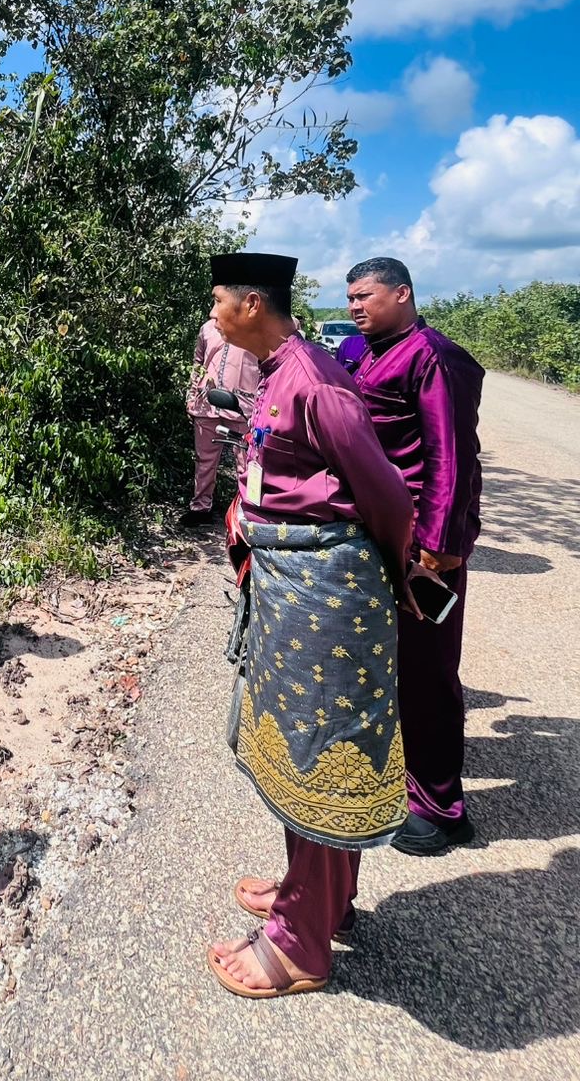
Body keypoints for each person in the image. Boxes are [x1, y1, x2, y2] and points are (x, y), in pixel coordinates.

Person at [204, 252, 416, 999]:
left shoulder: (316, 381)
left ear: (251, 305)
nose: (212, 314)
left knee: (322, 752)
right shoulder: (274, 372)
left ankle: (301, 947)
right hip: (291, 586)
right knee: (301, 750)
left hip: (326, 594)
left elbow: (387, 496)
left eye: (217, 300)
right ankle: (317, 897)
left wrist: (393, 576)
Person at [344, 257, 484, 856]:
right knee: (389, 659)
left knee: (428, 670)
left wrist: (439, 546)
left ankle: (442, 807)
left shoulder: (433, 357)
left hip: (421, 541)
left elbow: (450, 456)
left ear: (402, 293)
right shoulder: (366, 352)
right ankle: (402, 773)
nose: (355, 307)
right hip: (378, 530)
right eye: (350, 297)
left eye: (366, 296)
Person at [182, 314, 259, 527]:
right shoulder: (207, 328)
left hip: (242, 407)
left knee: (247, 463)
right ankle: (200, 508)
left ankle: (250, 511)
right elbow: (198, 364)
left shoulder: (255, 327)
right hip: (206, 404)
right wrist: (191, 397)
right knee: (204, 461)